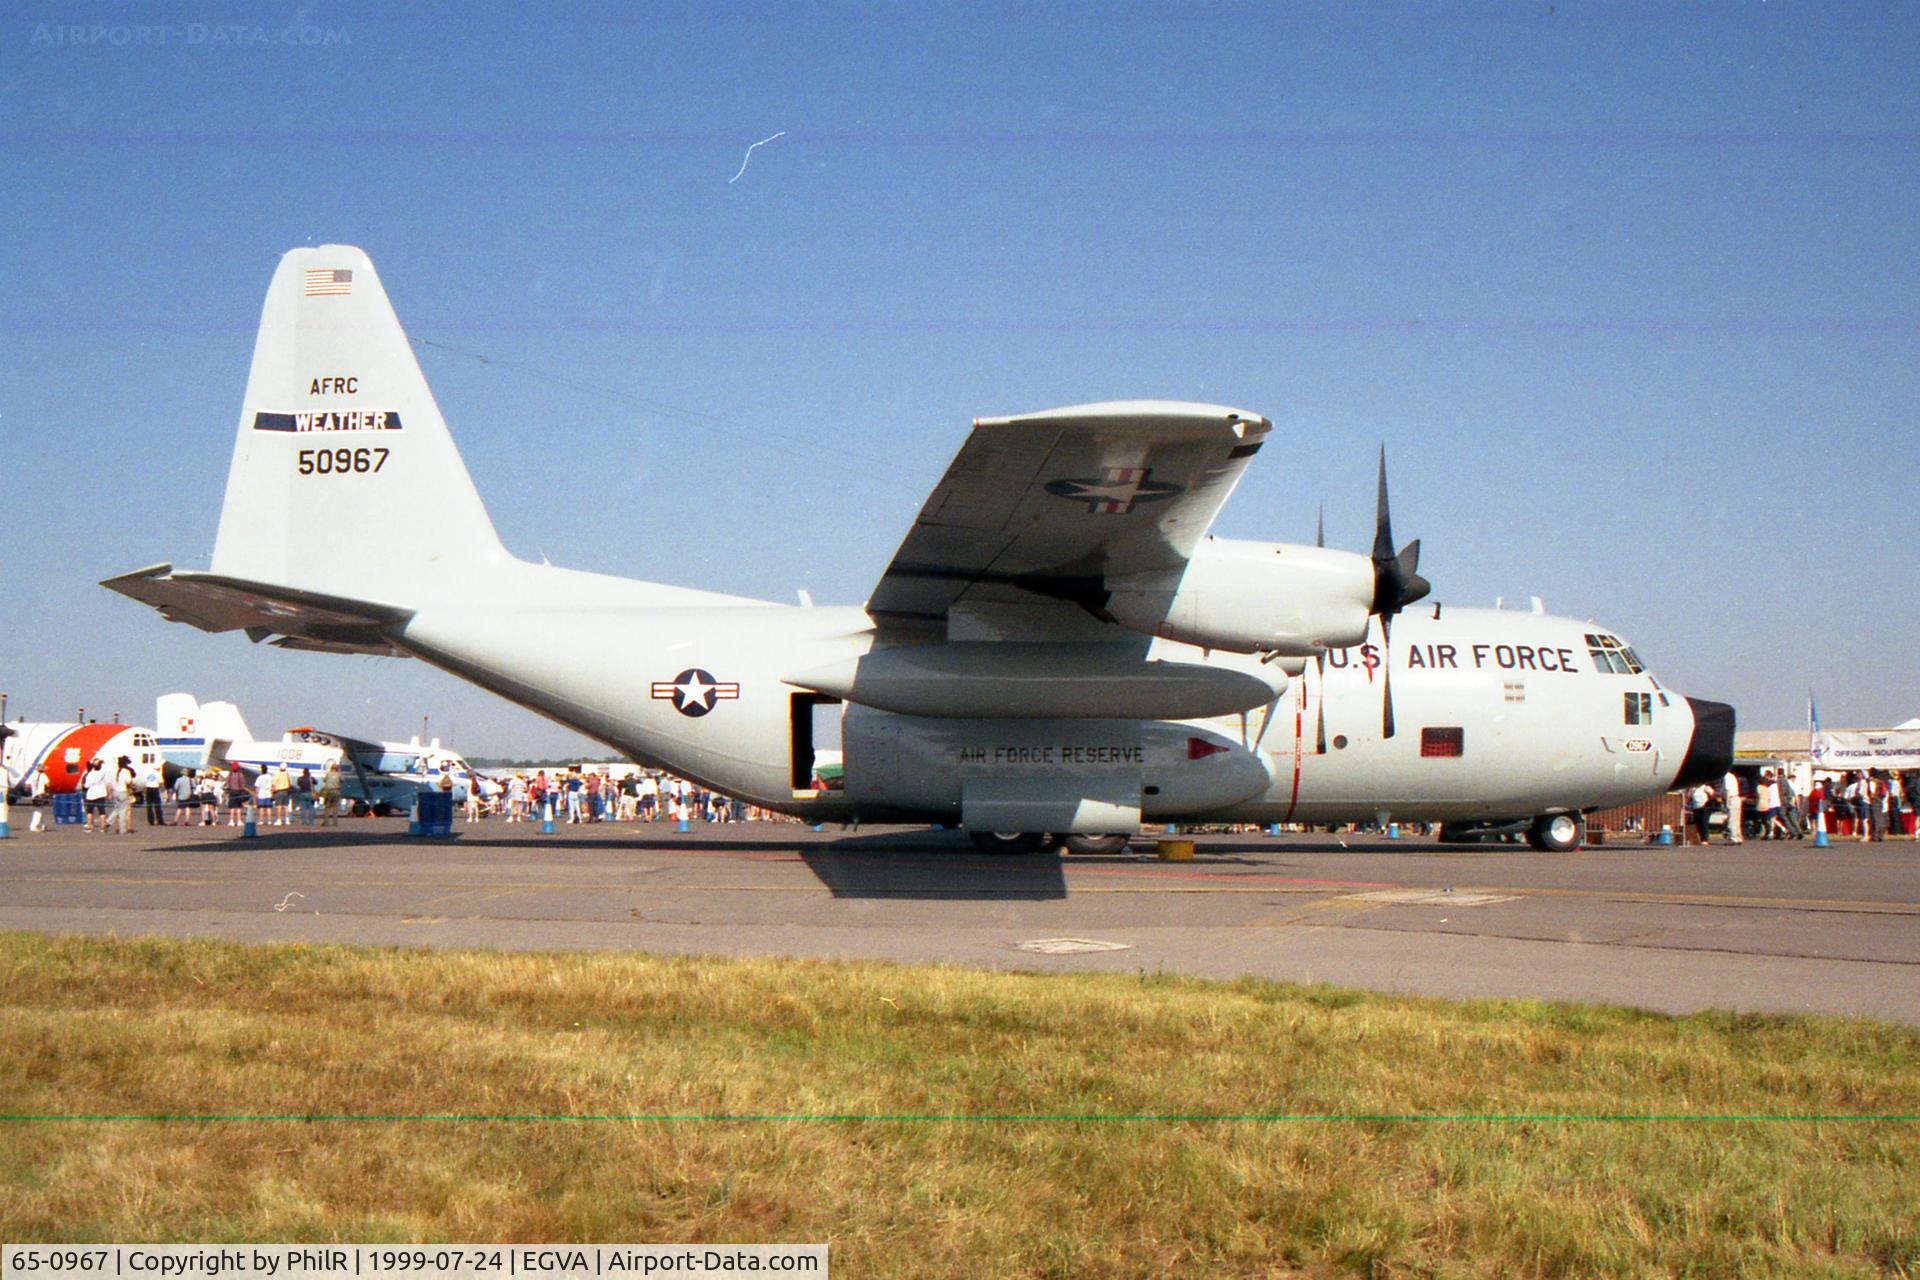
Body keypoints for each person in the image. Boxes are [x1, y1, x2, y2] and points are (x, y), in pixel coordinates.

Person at [110, 755, 137, 835]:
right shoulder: (128, 770)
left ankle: (117, 826)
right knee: (126, 810)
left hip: (115, 791)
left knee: (117, 809)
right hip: (125, 791)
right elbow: (130, 780)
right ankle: (126, 827)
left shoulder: (115, 770)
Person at [81, 759, 109, 833]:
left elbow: (86, 785)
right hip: (101, 793)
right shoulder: (102, 773)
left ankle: (90, 826)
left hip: (91, 794)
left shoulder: (90, 774)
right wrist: (102, 762)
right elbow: (105, 769)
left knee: (90, 811)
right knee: (102, 812)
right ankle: (103, 827)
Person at [317, 760, 342, 827]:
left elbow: (324, 780)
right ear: (337, 768)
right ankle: (335, 823)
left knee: (327, 807)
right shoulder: (339, 774)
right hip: (337, 791)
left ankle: (326, 822)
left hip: (328, 791)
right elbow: (342, 780)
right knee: (335, 807)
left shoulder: (328, 774)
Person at [1721, 769, 1743, 844]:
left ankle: (1733, 838)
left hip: (1732, 798)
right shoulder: (1732, 776)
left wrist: (1727, 803)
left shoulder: (1727, 777)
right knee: (1736, 819)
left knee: (1732, 820)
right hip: (1736, 798)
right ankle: (1738, 837)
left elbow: (1728, 790)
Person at [141, 760, 166, 826]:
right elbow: (161, 782)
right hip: (155, 789)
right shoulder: (157, 773)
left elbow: (144, 781)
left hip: (148, 788)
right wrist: (163, 790)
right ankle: (160, 820)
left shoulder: (148, 773)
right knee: (157, 805)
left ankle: (151, 821)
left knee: (149, 806)